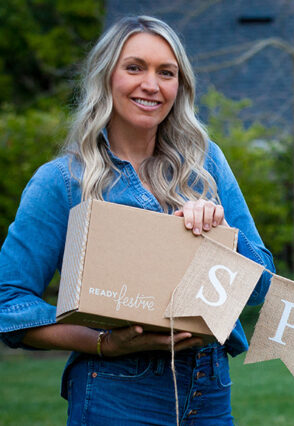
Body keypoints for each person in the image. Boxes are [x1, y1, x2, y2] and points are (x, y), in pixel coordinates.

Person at [0, 16, 275, 425]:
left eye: (166, 72)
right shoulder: (62, 181)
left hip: (209, 385)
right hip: (117, 390)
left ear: (179, 87)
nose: (152, 84)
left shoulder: (206, 165)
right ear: (106, 77)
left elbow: (262, 287)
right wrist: (105, 344)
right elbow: (9, 304)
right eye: (135, 67)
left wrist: (221, 235)